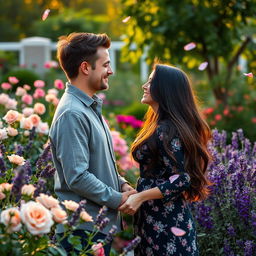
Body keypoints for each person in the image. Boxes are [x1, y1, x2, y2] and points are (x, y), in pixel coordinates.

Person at [49, 32, 136, 255]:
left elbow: (96, 164)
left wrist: (122, 184)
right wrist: (118, 199)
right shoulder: (72, 113)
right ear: (86, 68)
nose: (111, 70)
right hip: (81, 232)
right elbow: (77, 176)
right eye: (106, 64)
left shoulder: (87, 108)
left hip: (93, 229)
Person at [119, 64, 212, 255]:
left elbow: (182, 179)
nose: (144, 85)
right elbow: (161, 176)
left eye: (151, 82)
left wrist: (140, 196)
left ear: (165, 89)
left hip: (168, 227)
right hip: (155, 222)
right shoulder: (159, 126)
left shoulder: (167, 130)